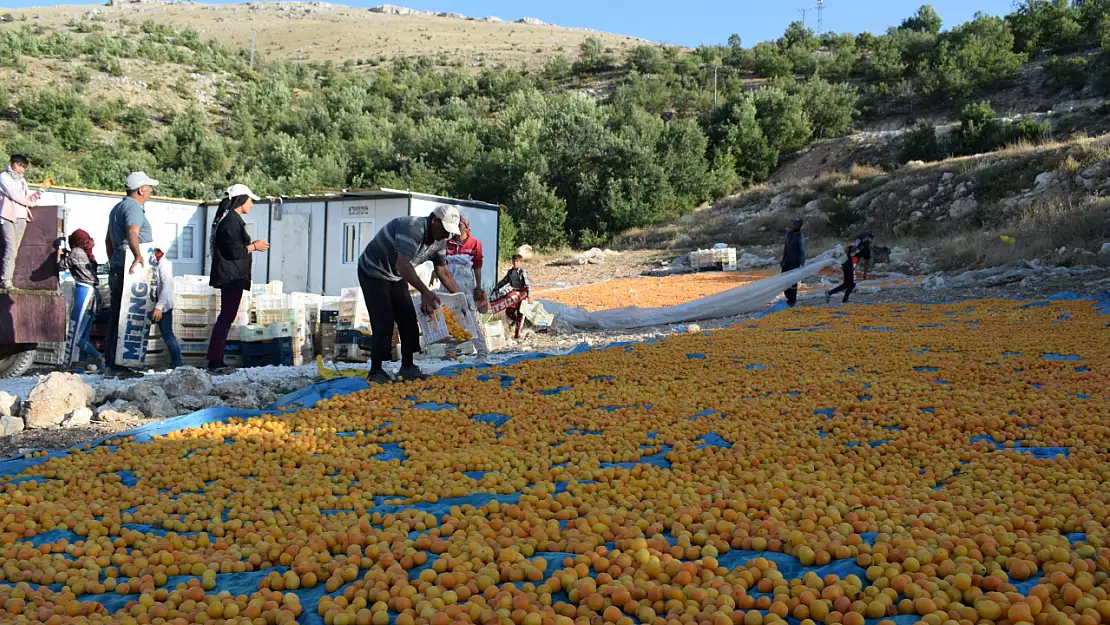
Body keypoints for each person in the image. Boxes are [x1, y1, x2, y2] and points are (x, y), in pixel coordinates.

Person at [357, 204, 464, 383]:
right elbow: (403, 264)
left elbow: (442, 271)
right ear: (434, 220)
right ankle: (376, 370)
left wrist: (461, 298)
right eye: (445, 230)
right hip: (373, 271)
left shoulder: (440, 240)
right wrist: (425, 291)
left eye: (450, 232)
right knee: (384, 320)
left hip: (396, 275)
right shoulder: (412, 228)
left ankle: (407, 367)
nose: (446, 235)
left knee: (408, 318)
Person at [208, 184, 267, 372]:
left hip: (232, 275)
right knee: (226, 317)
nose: (252, 204)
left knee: (227, 316)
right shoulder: (231, 221)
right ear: (241, 200)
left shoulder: (229, 219)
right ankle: (215, 360)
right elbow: (235, 251)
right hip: (231, 276)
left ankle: (216, 358)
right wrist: (254, 246)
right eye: (250, 200)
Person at [104, 171, 157, 375]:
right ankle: (120, 365)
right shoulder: (133, 207)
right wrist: (137, 255)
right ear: (141, 189)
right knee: (127, 316)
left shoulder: (117, 207)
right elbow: (132, 232)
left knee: (116, 315)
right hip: (131, 269)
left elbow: (108, 240)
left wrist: (115, 260)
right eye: (149, 187)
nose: (151, 191)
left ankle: (111, 364)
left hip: (120, 265)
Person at [58, 229, 105, 372]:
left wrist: (59, 255)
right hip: (94, 296)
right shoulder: (87, 253)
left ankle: (99, 357)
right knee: (84, 334)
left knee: (76, 335)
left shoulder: (76, 252)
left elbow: (61, 266)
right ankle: (80, 367)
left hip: (84, 294)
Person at [1, 155, 42, 290]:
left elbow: (26, 198)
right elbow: (13, 195)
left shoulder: (23, 181)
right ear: (11, 164)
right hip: (7, 216)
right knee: (10, 248)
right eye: (19, 165)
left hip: (22, 217)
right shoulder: (4, 177)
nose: (21, 169)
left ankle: (7, 280)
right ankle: (6, 281)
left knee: (14, 250)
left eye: (23, 167)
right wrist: (29, 202)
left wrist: (39, 192)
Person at [151, 242, 183, 370]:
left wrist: (159, 307)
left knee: (168, 334)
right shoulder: (156, 263)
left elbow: (166, 287)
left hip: (163, 306)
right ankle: (176, 363)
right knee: (167, 334)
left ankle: (177, 363)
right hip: (157, 303)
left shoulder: (163, 264)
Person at [445, 214, 486, 307]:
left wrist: (478, 287)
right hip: (448, 282)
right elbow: (442, 263)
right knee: (447, 309)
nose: (456, 227)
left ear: (466, 226)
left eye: (459, 225)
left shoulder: (475, 243)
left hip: (466, 284)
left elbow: (477, 266)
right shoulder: (447, 243)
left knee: (466, 308)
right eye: (454, 224)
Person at [826, 232, 874, 304]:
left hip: (845, 261)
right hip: (850, 263)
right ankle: (842, 300)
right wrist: (864, 274)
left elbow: (847, 249)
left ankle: (831, 294)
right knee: (851, 284)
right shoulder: (866, 248)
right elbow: (866, 263)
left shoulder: (857, 242)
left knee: (847, 284)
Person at [491, 254, 531, 340]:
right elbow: (504, 281)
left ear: (520, 262)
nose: (515, 263)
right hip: (514, 294)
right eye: (514, 261)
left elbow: (527, 285)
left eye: (517, 261)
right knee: (509, 311)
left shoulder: (523, 272)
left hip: (522, 294)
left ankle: (518, 335)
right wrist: (496, 288)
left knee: (521, 313)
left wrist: (529, 296)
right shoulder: (510, 272)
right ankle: (516, 322)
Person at [780, 218, 806, 307]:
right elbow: (786, 248)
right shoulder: (789, 234)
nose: (794, 225)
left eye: (796, 224)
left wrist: (802, 265)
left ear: (799, 226)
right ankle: (788, 297)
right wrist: (783, 259)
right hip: (787, 262)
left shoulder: (800, 237)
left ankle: (792, 300)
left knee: (793, 282)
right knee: (783, 281)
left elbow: (802, 252)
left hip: (795, 263)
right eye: (793, 224)